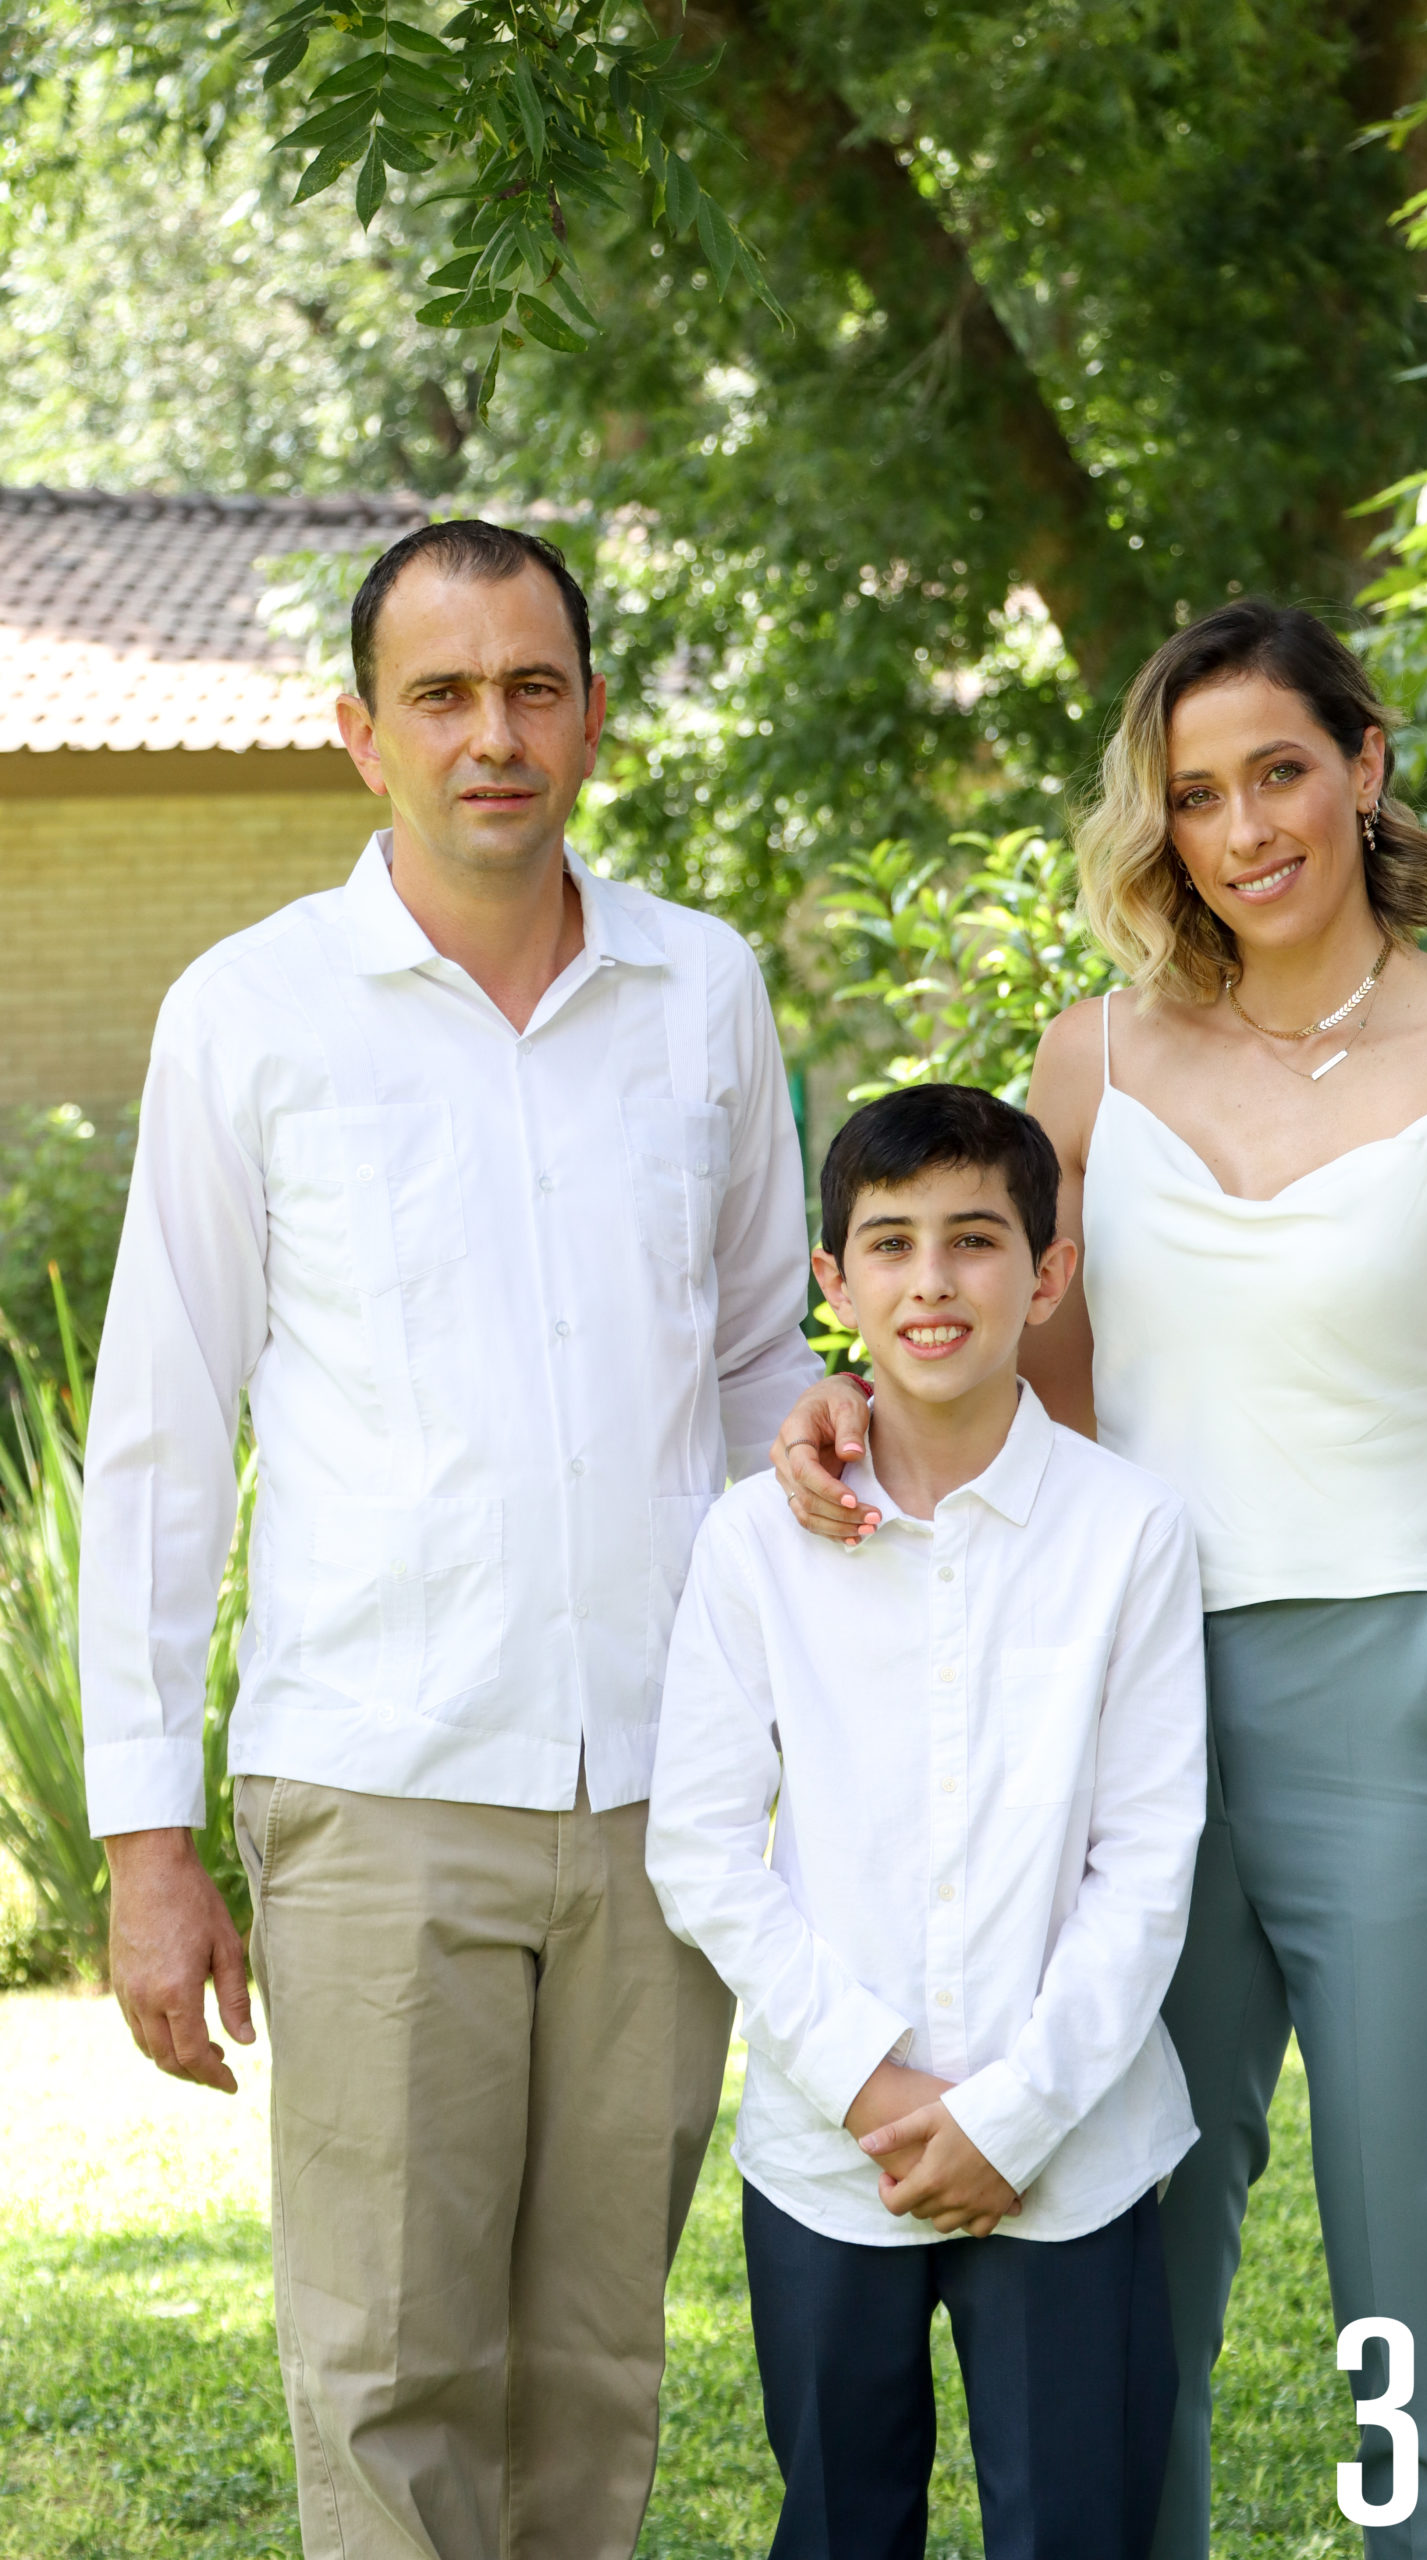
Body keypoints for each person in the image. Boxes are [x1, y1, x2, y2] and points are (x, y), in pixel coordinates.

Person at [770, 602, 1427, 2559]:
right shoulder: (1090, 1060)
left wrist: (1422, 1591)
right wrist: (845, 1412)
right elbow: (1021, 1388)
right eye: (1190, 794)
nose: (1240, 826)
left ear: (1360, 767)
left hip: (1403, 1724)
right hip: (1118, 1726)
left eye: (1276, 770)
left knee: (1418, 2290)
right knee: (1107, 2286)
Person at [80, 518, 825, 2560]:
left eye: (528, 686)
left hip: (664, 1785)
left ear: (586, 711)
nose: (490, 733)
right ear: (360, 731)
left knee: (593, 2368)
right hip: (378, 1782)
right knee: (390, 2364)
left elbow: (767, 1356)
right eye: (440, 694)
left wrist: (814, 1717)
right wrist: (148, 1843)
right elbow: (157, 1435)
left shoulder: (705, 989)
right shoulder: (252, 1014)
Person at [646, 1083, 1207, 2560]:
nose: (932, 1282)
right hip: (834, 2156)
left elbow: (1146, 1865)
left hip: (1070, 2156)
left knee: (1077, 2527)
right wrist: (875, 2085)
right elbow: (699, 1844)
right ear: (834, 1281)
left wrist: (1009, 2115)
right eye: (888, 1246)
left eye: (974, 1240)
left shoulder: (1129, 1535)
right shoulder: (754, 1540)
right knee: (839, 2523)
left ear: (1048, 1273)